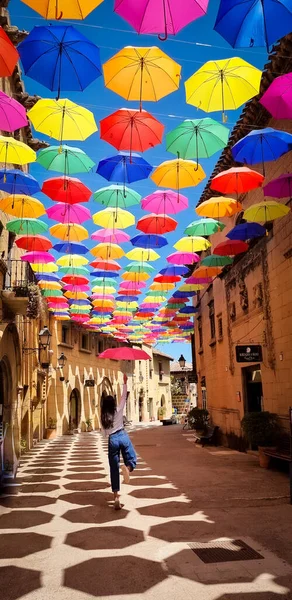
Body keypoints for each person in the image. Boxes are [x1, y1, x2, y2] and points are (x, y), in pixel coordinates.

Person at [101, 373, 137, 510]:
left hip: (112, 439)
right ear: (113, 404)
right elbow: (124, 397)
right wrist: (125, 382)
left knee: (113, 468)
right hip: (122, 435)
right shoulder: (119, 409)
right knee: (132, 457)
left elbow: (104, 434)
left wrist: (110, 433)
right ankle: (127, 468)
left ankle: (116, 496)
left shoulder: (104, 417)